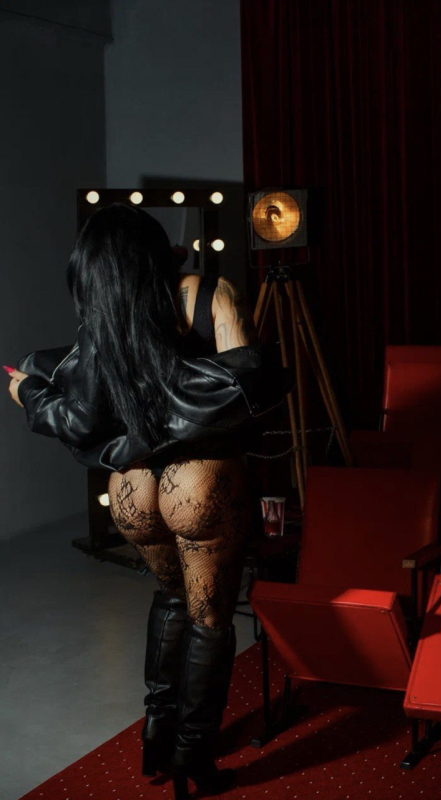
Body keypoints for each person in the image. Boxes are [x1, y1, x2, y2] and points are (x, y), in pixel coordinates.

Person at [6, 203, 263, 799]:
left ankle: (156, 733)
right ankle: (193, 757)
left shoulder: (104, 316)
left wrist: (28, 394)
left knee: (170, 597)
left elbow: (82, 418)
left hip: (131, 487)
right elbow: (245, 395)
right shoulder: (206, 293)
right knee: (210, 619)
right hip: (198, 481)